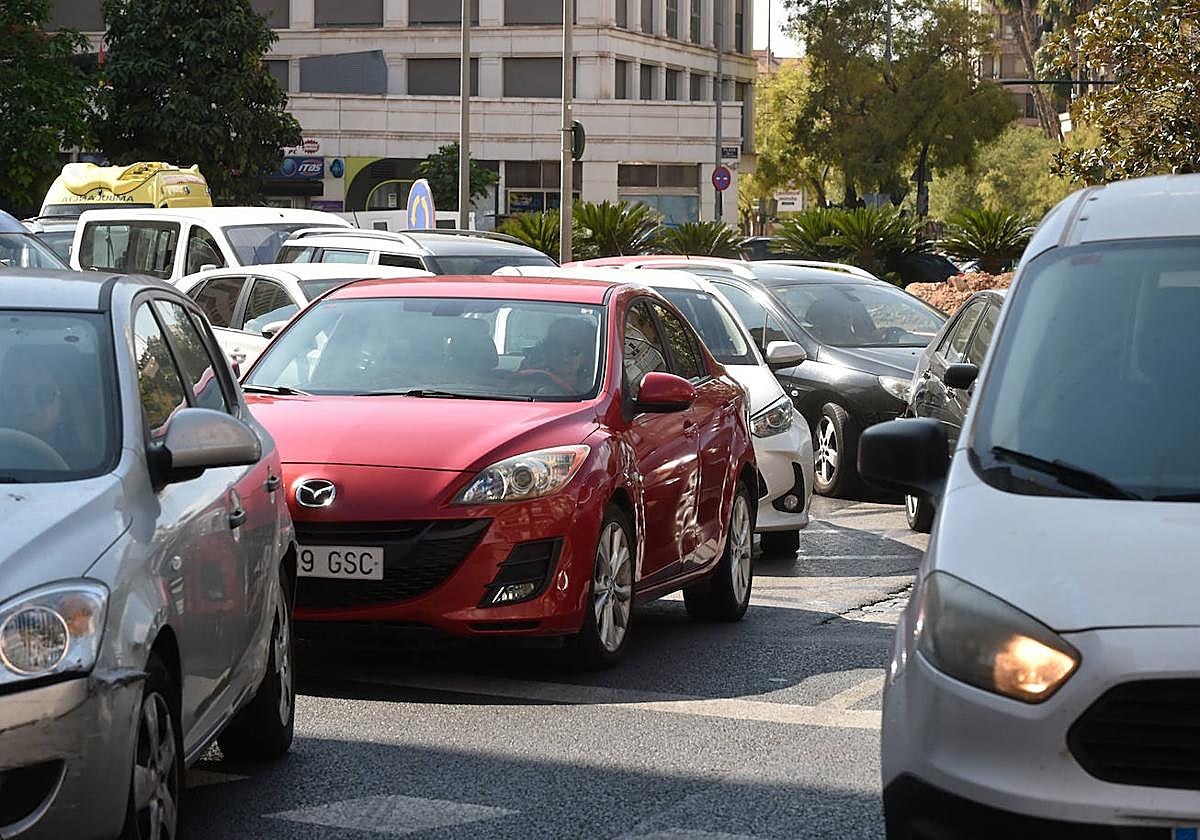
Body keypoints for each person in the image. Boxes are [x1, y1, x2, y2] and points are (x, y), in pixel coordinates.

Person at [536, 317, 596, 394]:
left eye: (574, 351)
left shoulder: (598, 389)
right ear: (547, 350)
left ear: (587, 355)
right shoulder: (530, 379)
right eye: (557, 347)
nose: (564, 357)